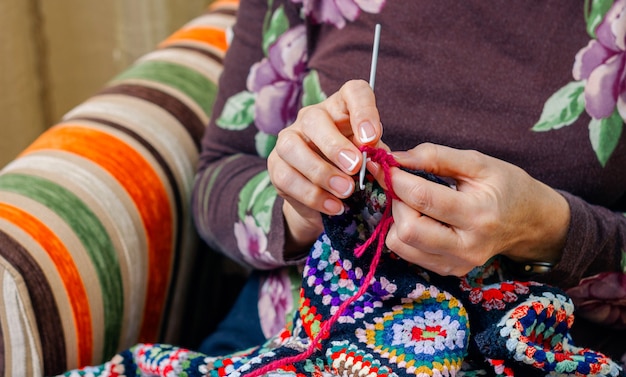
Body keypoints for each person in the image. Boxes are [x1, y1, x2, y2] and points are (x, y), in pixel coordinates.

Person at [192, 0, 626, 365]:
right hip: (297, 333)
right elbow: (218, 170)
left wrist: (545, 229)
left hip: (534, 349)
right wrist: (302, 207)